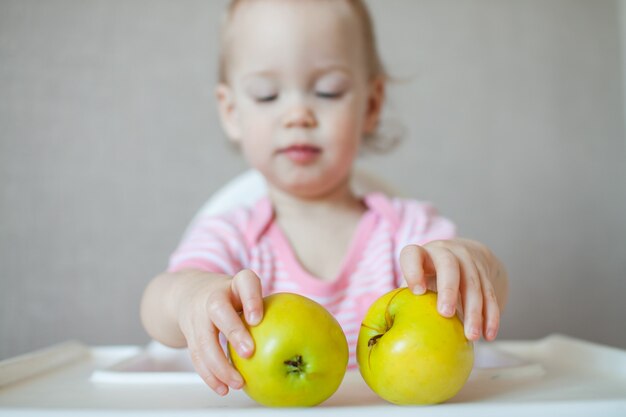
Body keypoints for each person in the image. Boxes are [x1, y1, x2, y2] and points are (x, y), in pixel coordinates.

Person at [140, 0, 509, 397]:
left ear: (370, 105)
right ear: (231, 112)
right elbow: (158, 304)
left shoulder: (407, 232)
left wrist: (473, 263)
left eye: (327, 91)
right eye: (267, 95)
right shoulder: (232, 236)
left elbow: (490, 289)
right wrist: (190, 297)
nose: (298, 114)